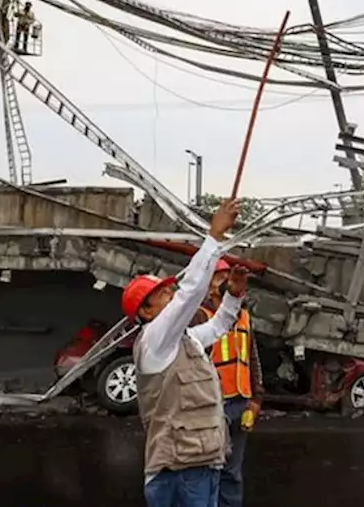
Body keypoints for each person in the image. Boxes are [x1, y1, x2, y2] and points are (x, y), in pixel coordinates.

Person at [121, 199, 243, 507]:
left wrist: (234, 296)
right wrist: (213, 237)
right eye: (161, 293)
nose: (170, 293)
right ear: (145, 312)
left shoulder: (184, 341)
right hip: (178, 469)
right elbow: (189, 294)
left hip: (202, 462)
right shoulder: (154, 341)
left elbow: (219, 327)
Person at [204, 258, 265, 507]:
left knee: (232, 473)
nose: (228, 282)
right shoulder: (200, 317)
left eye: (230, 277)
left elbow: (252, 359)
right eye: (220, 278)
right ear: (207, 286)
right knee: (206, 472)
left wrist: (256, 399)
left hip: (239, 403)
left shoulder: (244, 317)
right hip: (209, 407)